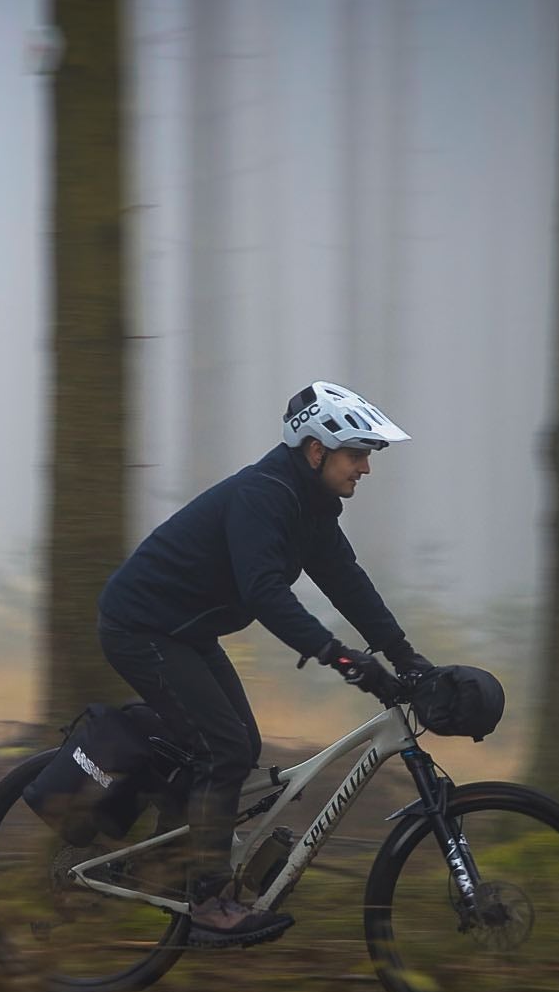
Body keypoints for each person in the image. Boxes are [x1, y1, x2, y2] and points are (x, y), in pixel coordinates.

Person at [96, 382, 433, 948]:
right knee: (223, 747)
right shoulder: (265, 495)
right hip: (141, 626)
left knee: (238, 745)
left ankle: (157, 863)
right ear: (316, 450)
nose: (366, 469)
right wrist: (342, 657)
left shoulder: (311, 508)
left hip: (186, 630)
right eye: (357, 455)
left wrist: (407, 658)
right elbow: (263, 593)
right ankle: (207, 900)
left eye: (369, 456)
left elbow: (349, 585)